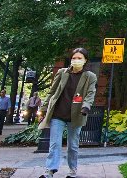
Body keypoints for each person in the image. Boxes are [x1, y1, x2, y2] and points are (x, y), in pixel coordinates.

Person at [39, 48, 98, 178]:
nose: (76, 60)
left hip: (76, 115)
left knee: (73, 145)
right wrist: (43, 108)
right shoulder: (62, 73)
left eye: (79, 58)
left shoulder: (90, 76)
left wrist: (86, 107)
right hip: (58, 114)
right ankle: (50, 170)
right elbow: (52, 91)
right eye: (74, 58)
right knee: (54, 143)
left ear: (85, 60)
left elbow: (90, 94)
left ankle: (72, 170)